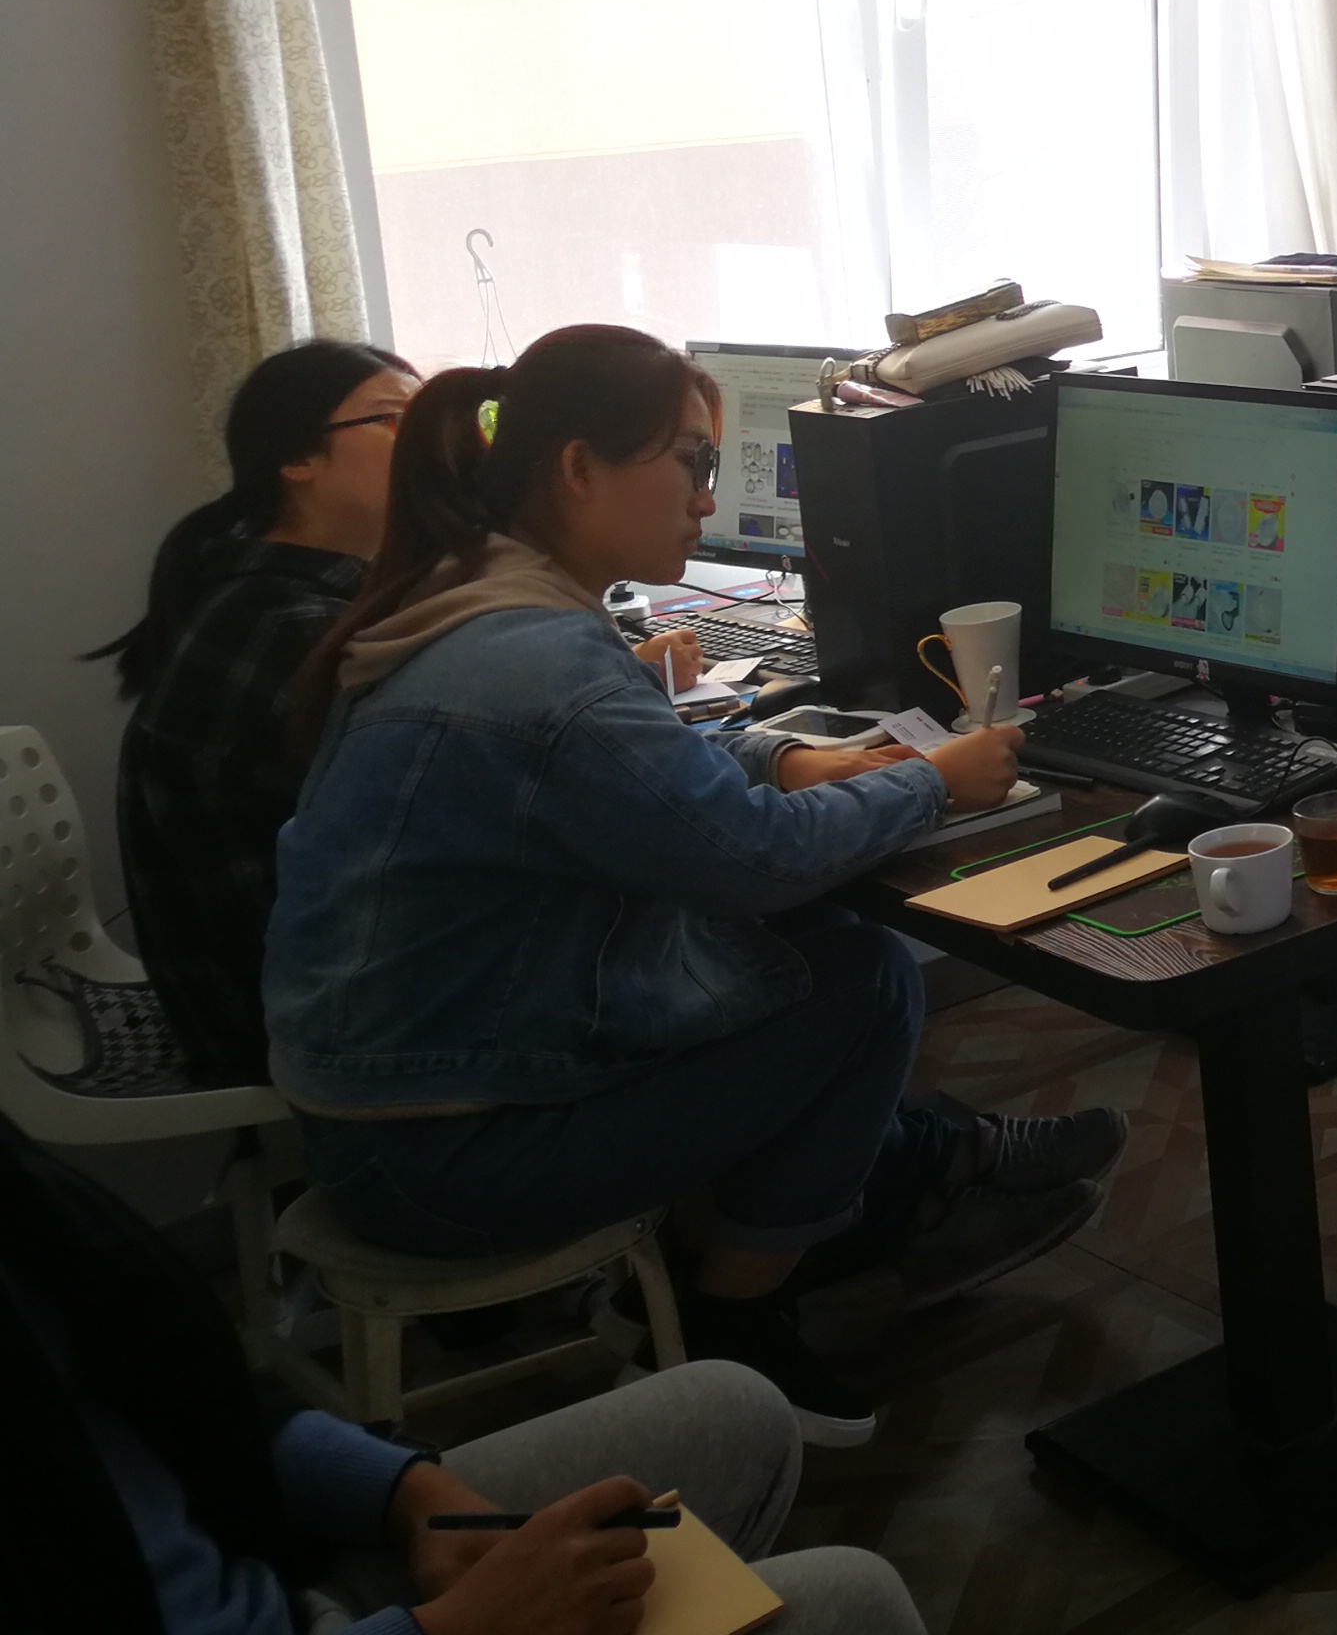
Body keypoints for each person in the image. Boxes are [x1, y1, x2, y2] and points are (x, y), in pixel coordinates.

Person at [265, 325, 1125, 1445]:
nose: (706, 501)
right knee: (861, 979)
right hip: (445, 1156)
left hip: (391, 1110)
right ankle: (737, 1320)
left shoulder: (472, 598)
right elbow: (750, 861)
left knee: (816, 951)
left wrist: (789, 758)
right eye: (690, 462)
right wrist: (931, 782)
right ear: (578, 467)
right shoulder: (534, 662)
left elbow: (645, 768)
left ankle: (863, 1210)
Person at [0, 1114, 920, 1635]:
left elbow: (166, 1388)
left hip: (253, 1567)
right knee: (855, 1599)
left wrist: (409, 1492)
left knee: (733, 1405)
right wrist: (463, 1627)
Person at [91, 340, 417, 1086]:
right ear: (298, 458)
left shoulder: (289, 591)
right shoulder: (285, 628)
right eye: (392, 419)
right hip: (293, 1019)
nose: (425, 442)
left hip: (297, 981)